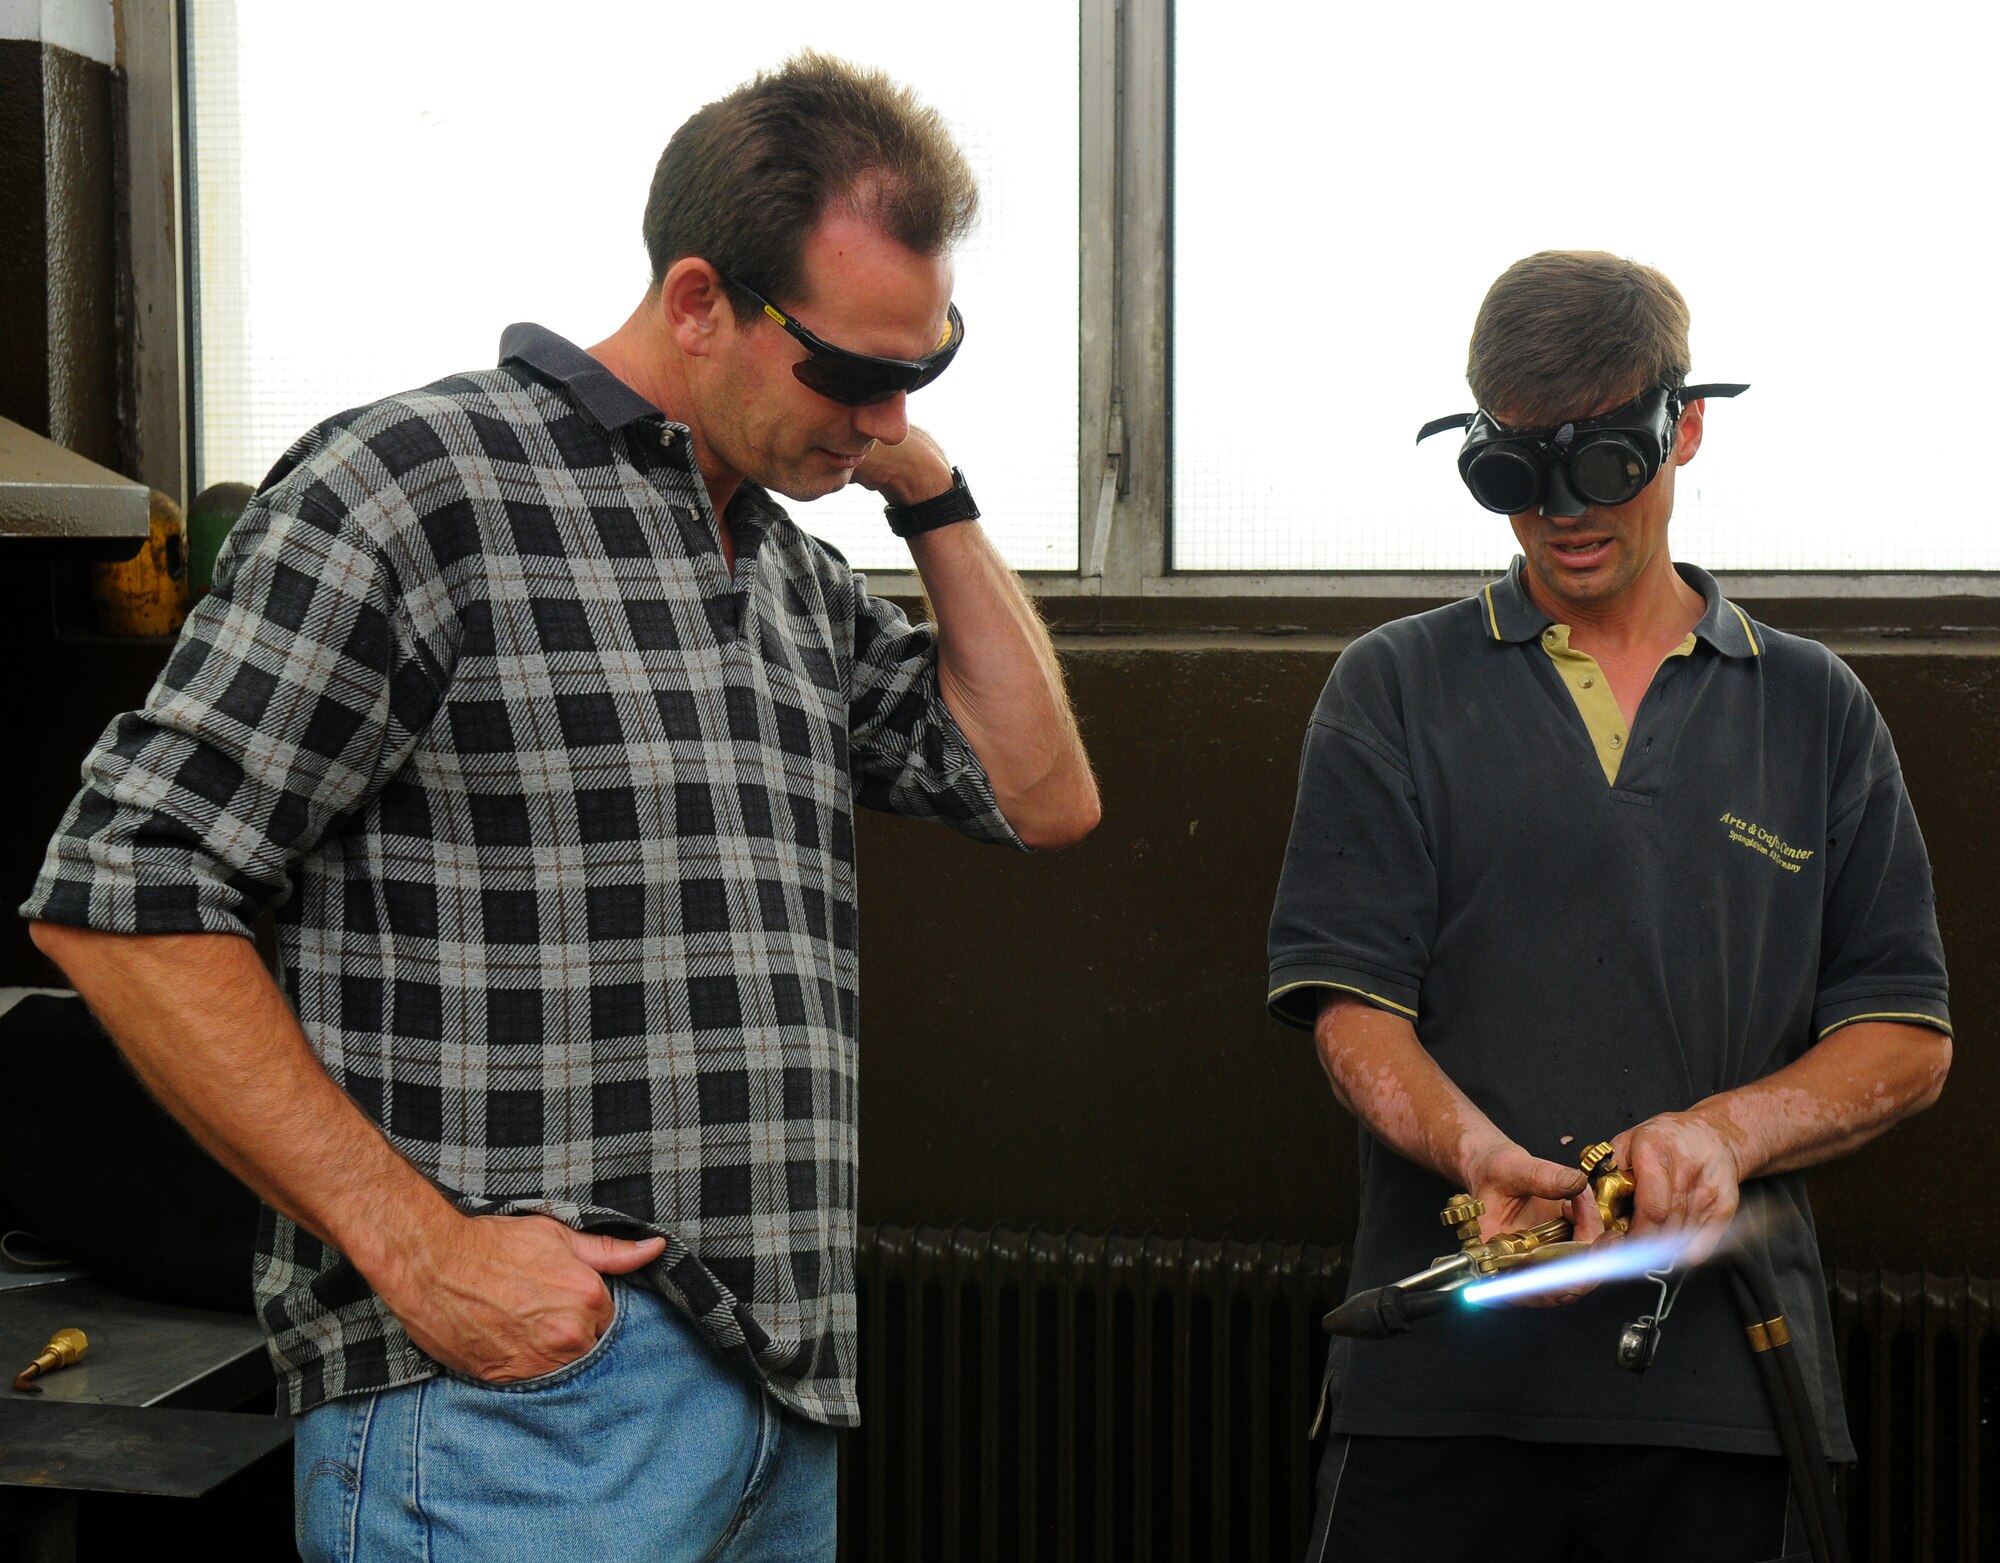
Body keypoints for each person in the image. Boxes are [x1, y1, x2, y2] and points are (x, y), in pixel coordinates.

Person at [24, 52, 1098, 1562]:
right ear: (699, 300)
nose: (877, 413)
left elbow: (1038, 793)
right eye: (849, 371)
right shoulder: (414, 488)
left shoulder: (789, 572)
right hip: (510, 1415)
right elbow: (120, 886)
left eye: (920, 368)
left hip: (778, 1400)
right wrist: (420, 1250)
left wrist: (930, 492)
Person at [1266, 250, 1951, 1563]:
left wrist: (1729, 1133)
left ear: (1683, 427)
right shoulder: (1391, 692)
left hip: (1726, 1408)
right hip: (1440, 1401)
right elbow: (1353, 1013)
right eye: (1518, 478)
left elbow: (1905, 1039)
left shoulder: (1814, 712)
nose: (1563, 519)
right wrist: (1472, 1151)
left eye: (1604, 468)